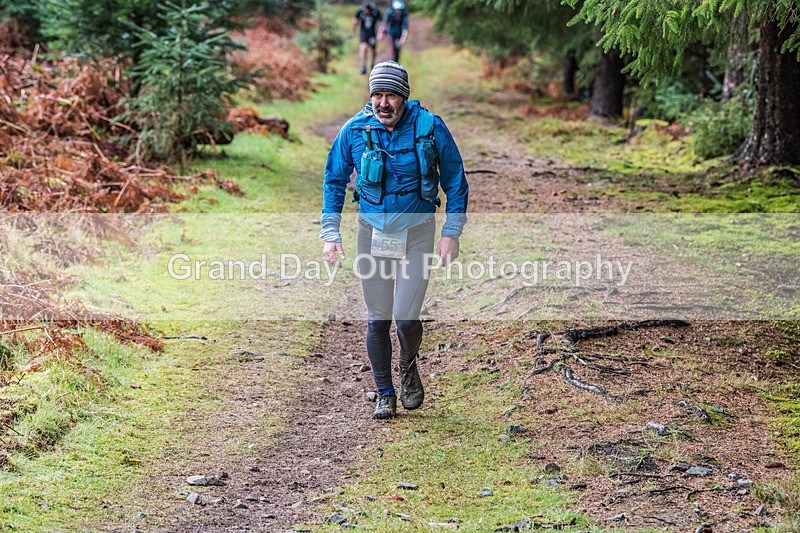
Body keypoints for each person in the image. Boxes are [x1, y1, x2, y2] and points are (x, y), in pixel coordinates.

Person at [320, 61, 469, 420]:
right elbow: (334, 180)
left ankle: (408, 364)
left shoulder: (430, 128)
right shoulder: (355, 130)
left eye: (390, 95)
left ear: (404, 96)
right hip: (372, 234)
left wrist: (452, 232)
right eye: (377, 94)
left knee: (405, 317)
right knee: (377, 319)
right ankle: (385, 392)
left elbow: (455, 180)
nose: (383, 102)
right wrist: (330, 232)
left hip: (417, 233)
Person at [354, 2, 381, 75]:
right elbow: (355, 21)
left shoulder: (375, 13)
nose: (366, 11)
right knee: (363, 48)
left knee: (373, 50)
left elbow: (381, 23)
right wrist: (354, 30)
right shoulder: (360, 13)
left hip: (372, 34)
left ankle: (373, 64)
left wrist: (380, 33)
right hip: (364, 34)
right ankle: (363, 66)